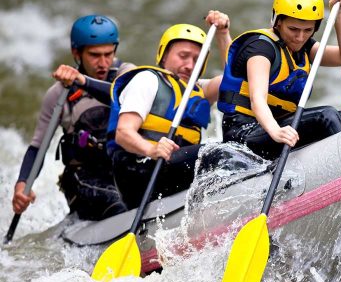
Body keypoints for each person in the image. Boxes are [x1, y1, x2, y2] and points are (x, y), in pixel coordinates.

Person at [217, 0, 341, 160]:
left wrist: (338, 16)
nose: (300, 37)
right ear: (278, 21)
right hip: (244, 133)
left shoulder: (304, 48)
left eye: (308, 30)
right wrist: (276, 131)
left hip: (279, 127)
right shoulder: (260, 48)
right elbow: (257, 99)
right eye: (293, 29)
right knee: (326, 115)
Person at [12, 15, 133, 220]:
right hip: (84, 180)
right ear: (76, 53)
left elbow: (120, 94)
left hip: (122, 168)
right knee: (117, 203)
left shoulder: (127, 74)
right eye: (94, 55)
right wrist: (22, 185)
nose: (103, 63)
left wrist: (83, 81)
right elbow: (37, 148)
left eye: (108, 54)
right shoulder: (58, 95)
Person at [107, 11, 231, 209]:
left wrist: (223, 34)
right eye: (183, 56)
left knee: (234, 149)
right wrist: (152, 149)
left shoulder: (200, 90)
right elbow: (123, 133)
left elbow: (235, 79)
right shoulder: (147, 80)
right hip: (140, 171)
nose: (190, 65)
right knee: (218, 154)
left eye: (196, 59)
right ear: (164, 56)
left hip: (172, 170)